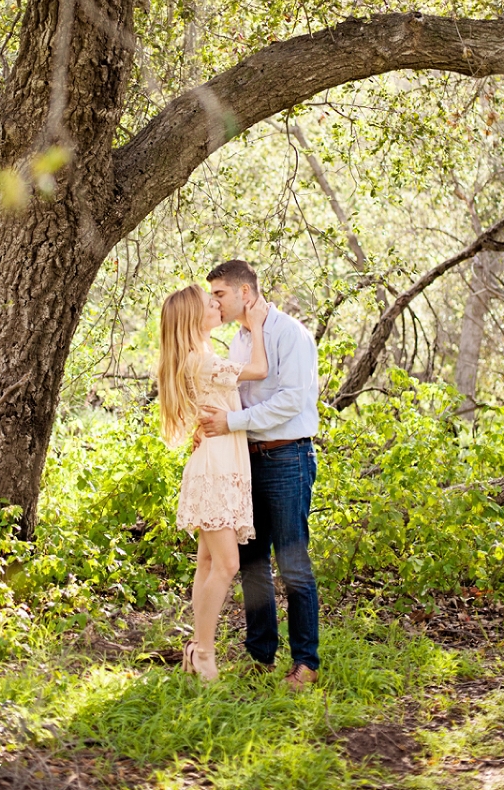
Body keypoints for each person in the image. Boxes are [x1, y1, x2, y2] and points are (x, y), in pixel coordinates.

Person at [200, 260, 320, 691]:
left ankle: (305, 663)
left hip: (288, 458)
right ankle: (260, 657)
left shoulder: (291, 335)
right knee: (252, 563)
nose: (214, 302)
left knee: (292, 564)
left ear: (245, 293)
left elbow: (291, 401)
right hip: (245, 461)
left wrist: (231, 423)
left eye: (219, 294)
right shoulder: (238, 341)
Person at [158, 283, 269, 681]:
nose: (217, 306)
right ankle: (203, 652)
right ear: (194, 318)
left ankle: (197, 649)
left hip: (220, 463)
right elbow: (259, 370)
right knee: (226, 564)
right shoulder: (201, 361)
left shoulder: (200, 357)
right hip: (216, 470)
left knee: (208, 563)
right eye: (210, 303)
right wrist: (256, 326)